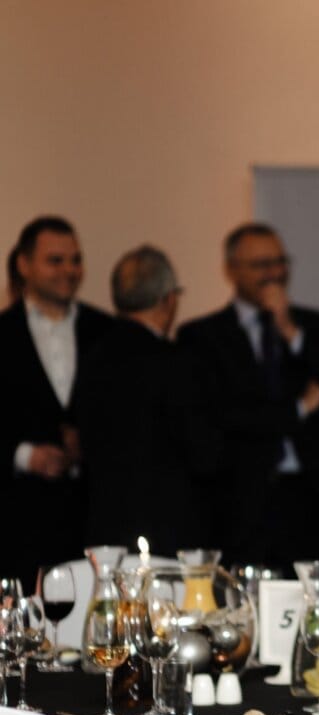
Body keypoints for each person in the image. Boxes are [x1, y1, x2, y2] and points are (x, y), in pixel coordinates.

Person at [176, 222, 319, 571]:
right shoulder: (202, 336)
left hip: (308, 500)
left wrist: (291, 331)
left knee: (312, 610)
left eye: (280, 262)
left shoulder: (311, 324)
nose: (274, 274)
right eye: (261, 265)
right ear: (231, 269)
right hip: (239, 502)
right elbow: (223, 415)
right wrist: (299, 408)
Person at [75, 245, 217, 554]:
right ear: (168, 300)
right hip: (169, 535)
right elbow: (204, 453)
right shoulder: (177, 363)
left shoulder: (92, 358)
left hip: (104, 533)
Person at [0, 216, 113, 590]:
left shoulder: (105, 331)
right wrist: (25, 455)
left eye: (75, 260)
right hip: (18, 522)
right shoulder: (3, 332)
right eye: (56, 260)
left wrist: (92, 442)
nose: (69, 270)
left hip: (93, 520)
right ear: (24, 264)